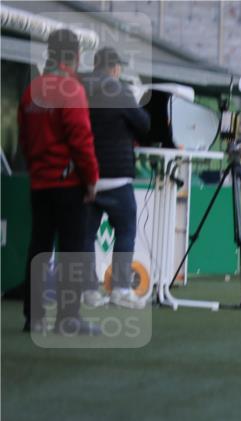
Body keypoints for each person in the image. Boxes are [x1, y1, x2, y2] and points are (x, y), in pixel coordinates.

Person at [18, 29, 100, 334]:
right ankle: (68, 317)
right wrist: (90, 178)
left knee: (38, 248)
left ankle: (33, 317)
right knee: (72, 252)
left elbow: (24, 139)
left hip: (40, 183)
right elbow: (81, 140)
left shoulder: (31, 90)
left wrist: (36, 169)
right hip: (68, 185)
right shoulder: (72, 89)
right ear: (76, 57)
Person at [80, 47, 150, 309]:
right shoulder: (120, 91)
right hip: (117, 176)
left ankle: (88, 290)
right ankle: (120, 289)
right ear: (115, 69)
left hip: (87, 176)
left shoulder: (79, 88)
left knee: (86, 235)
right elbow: (143, 124)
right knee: (125, 231)